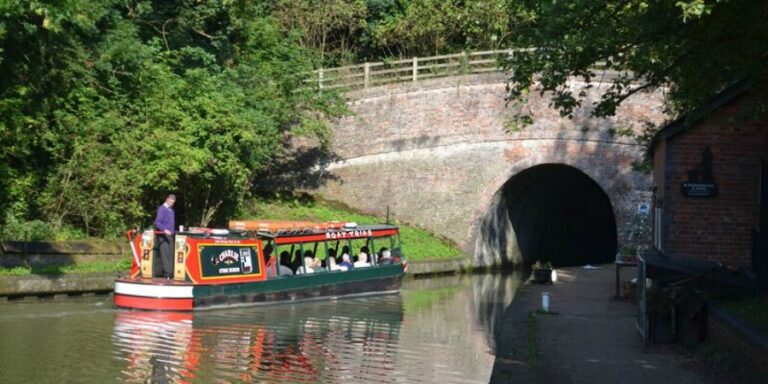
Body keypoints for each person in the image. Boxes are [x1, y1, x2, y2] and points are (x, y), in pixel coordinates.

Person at [154, 194, 176, 278]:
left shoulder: (171, 210)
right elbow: (157, 222)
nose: (171, 204)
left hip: (170, 235)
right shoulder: (162, 209)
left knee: (170, 254)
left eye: (173, 203)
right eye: (170, 202)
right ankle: (167, 274)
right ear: (167, 199)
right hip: (163, 235)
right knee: (165, 254)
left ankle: (170, 273)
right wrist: (164, 230)